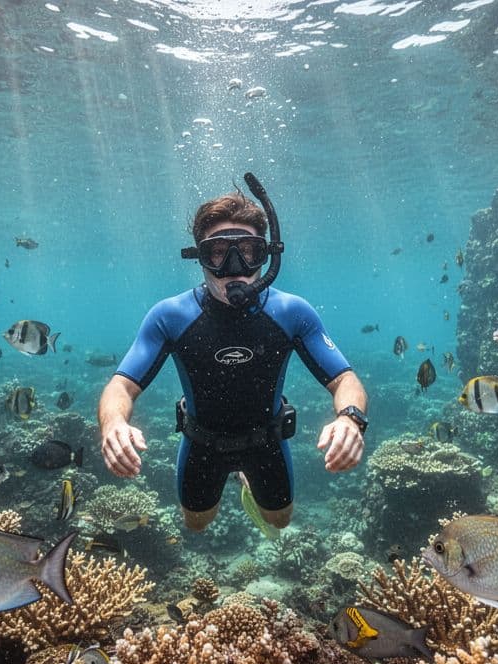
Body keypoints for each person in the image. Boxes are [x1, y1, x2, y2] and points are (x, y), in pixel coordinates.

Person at [98, 176, 368, 532]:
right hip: (201, 443)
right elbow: (121, 386)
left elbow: (345, 379)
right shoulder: (170, 316)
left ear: (266, 255)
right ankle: (235, 479)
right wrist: (113, 424)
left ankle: (245, 479)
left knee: (280, 521)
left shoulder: (292, 312)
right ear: (200, 257)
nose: (236, 267)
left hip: (266, 441)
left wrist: (350, 418)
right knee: (197, 524)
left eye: (249, 251)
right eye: (219, 253)